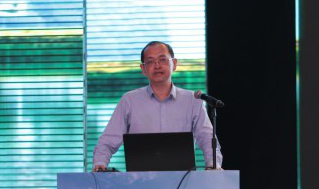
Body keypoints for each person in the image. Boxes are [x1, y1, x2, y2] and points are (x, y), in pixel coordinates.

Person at [92, 41, 223, 171]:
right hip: (139, 180)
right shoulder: (129, 100)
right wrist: (100, 163)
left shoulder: (193, 100)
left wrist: (213, 164)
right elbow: (108, 140)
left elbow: (207, 138)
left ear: (174, 64)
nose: (157, 65)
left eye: (162, 59)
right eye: (150, 61)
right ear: (143, 69)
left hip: (183, 180)